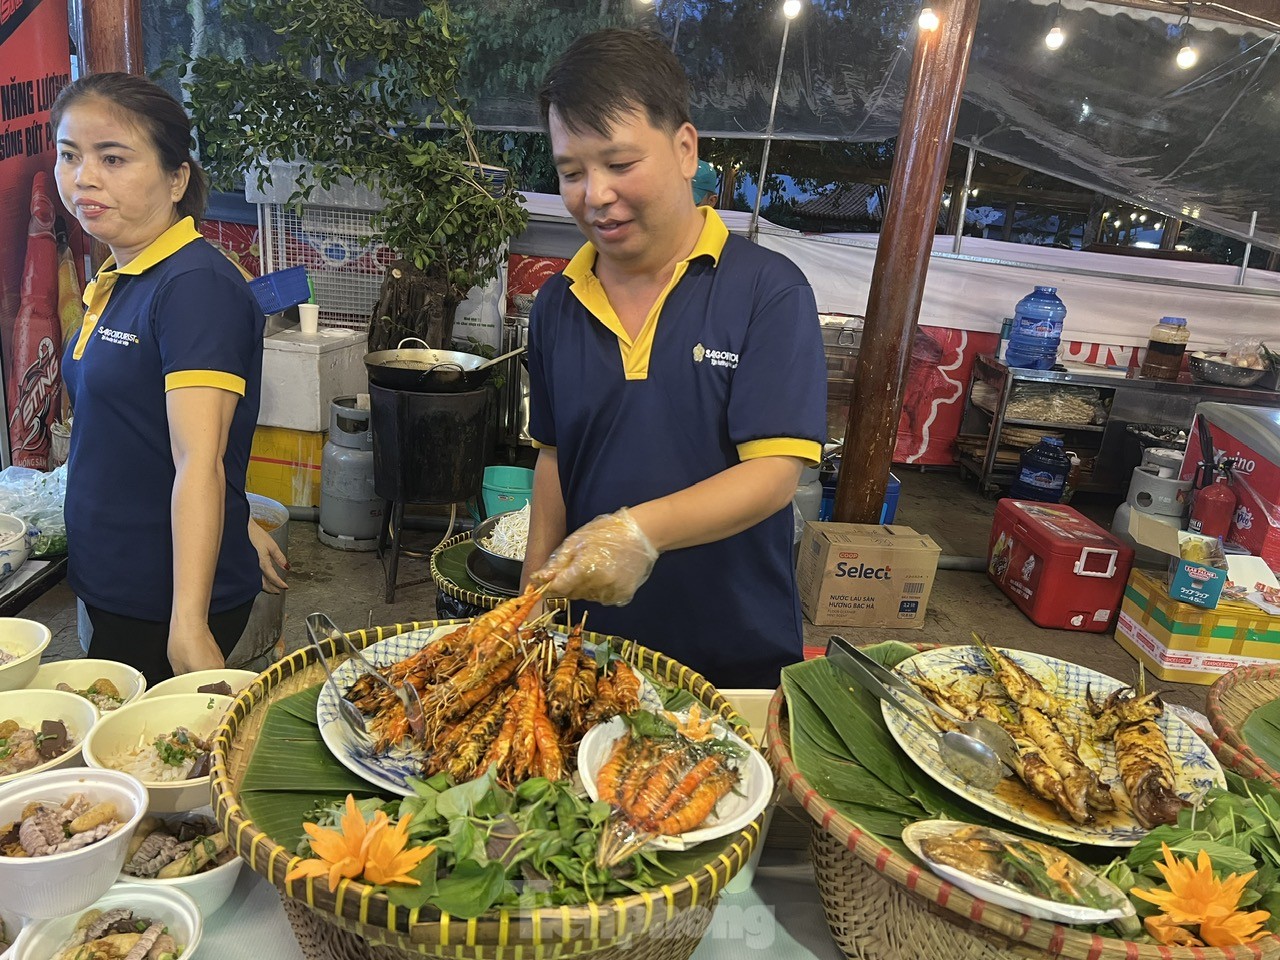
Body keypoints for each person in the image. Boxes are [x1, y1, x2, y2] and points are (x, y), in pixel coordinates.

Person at [521, 29, 826, 689]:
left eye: (619, 163)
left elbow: (775, 472)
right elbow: (553, 459)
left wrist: (637, 532)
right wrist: (532, 603)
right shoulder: (556, 302)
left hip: (732, 659)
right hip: (590, 658)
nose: (595, 194)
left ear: (685, 149)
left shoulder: (767, 291)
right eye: (572, 171)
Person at [52, 73, 283, 680]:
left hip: (164, 604)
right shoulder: (122, 271)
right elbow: (135, 431)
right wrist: (240, 521)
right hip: (112, 577)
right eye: (70, 155)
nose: (85, 178)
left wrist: (188, 624)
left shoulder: (194, 287)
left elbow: (198, 460)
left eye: (114, 157)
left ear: (177, 177)